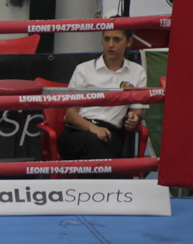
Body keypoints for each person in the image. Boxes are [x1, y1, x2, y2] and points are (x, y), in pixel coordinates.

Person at [59, 29, 147, 160]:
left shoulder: (137, 71)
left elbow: (138, 111)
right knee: (95, 144)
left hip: (111, 133)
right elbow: (70, 114)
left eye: (116, 39)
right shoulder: (83, 69)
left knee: (101, 145)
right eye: (106, 39)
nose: (110, 44)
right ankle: (109, 179)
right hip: (78, 131)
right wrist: (93, 128)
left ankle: (101, 179)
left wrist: (134, 117)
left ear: (129, 42)